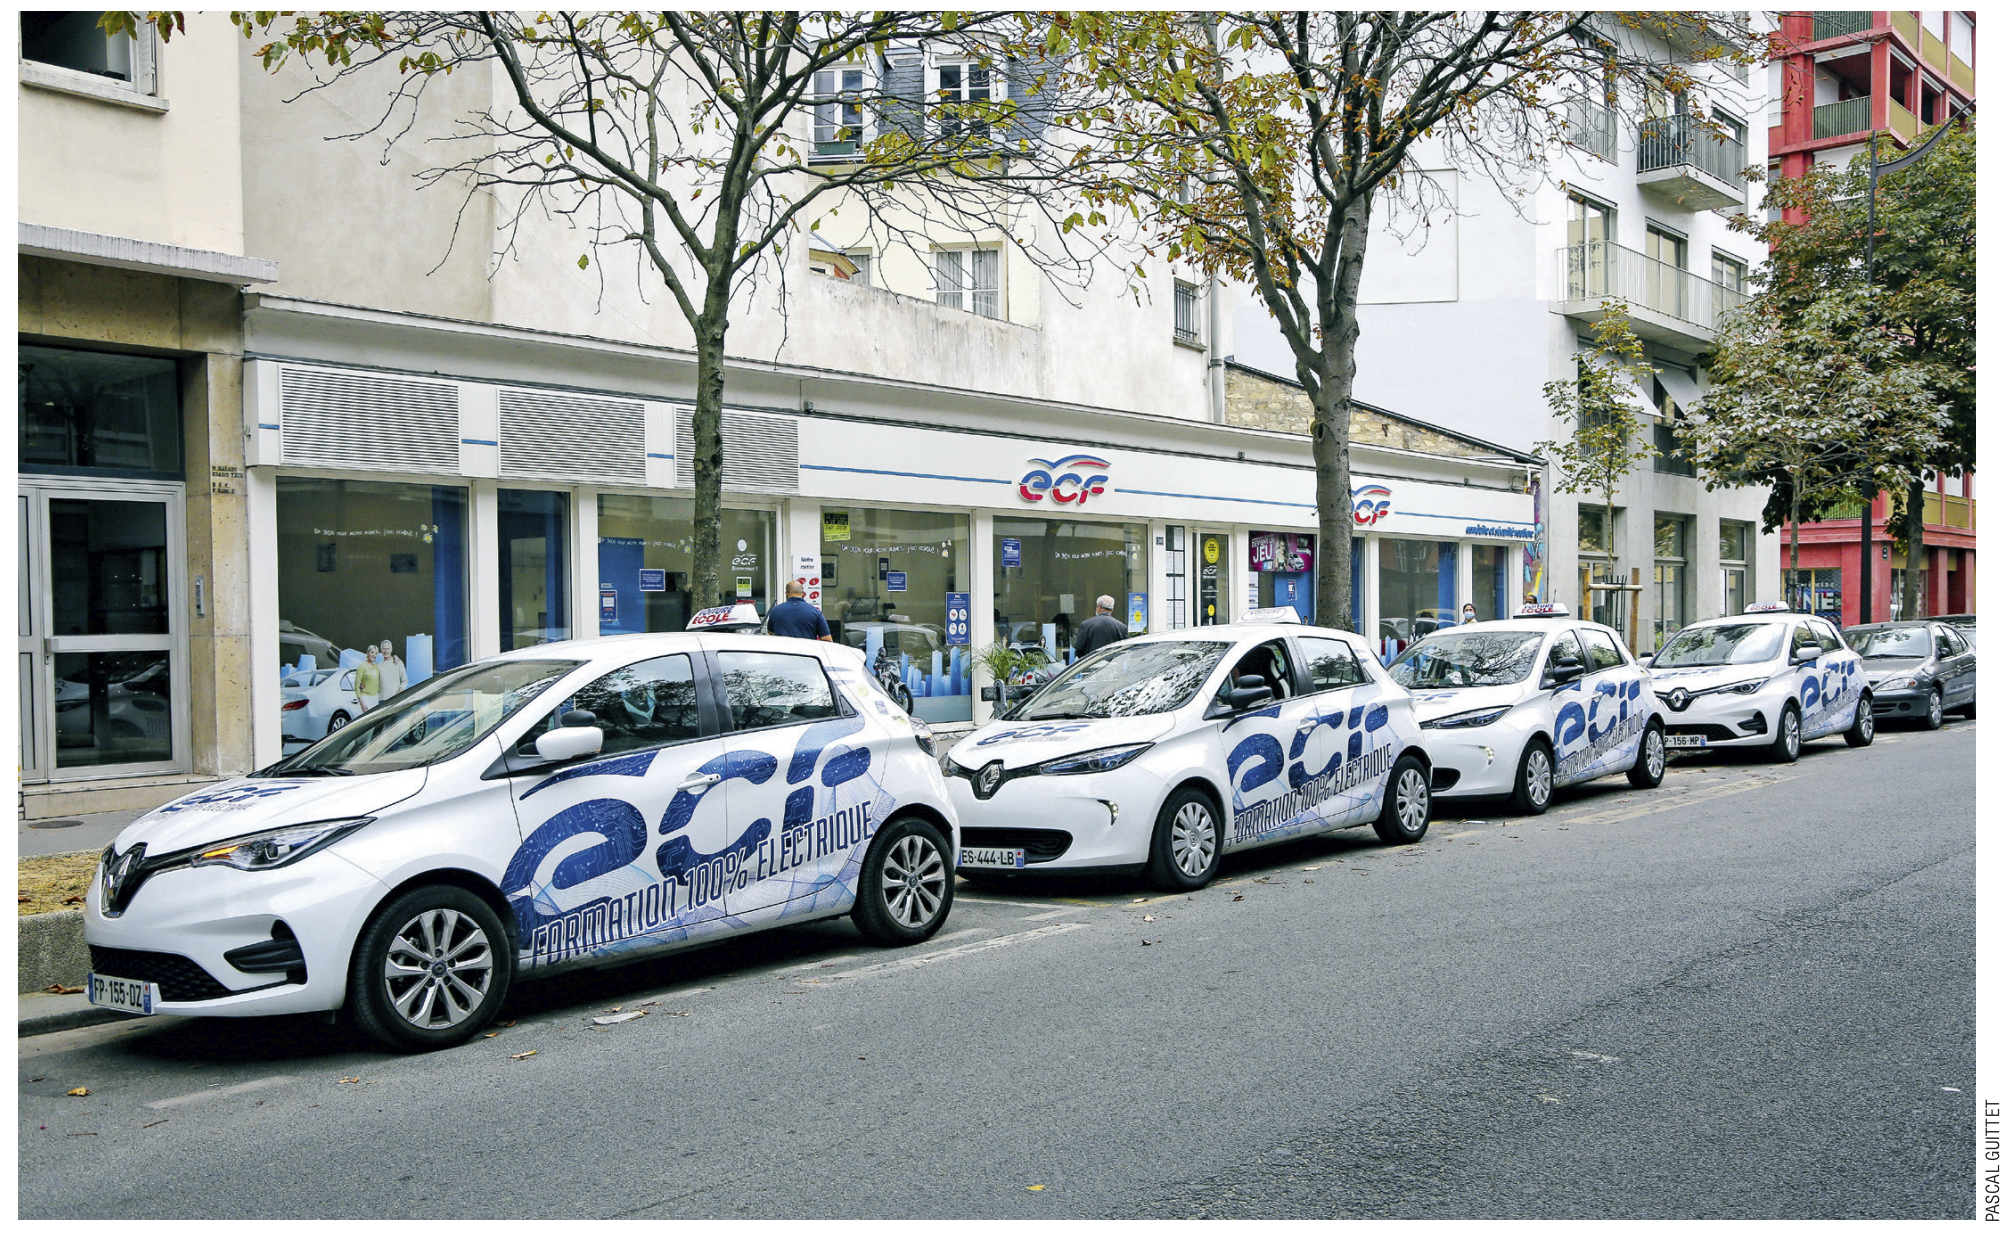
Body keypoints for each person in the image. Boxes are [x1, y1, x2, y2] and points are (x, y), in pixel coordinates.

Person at [767, 580, 833, 641]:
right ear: (803, 594)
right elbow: (827, 639)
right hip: (806, 652)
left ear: (786, 593)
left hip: (783, 652)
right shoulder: (815, 612)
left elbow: (771, 632)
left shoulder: (776, 611)